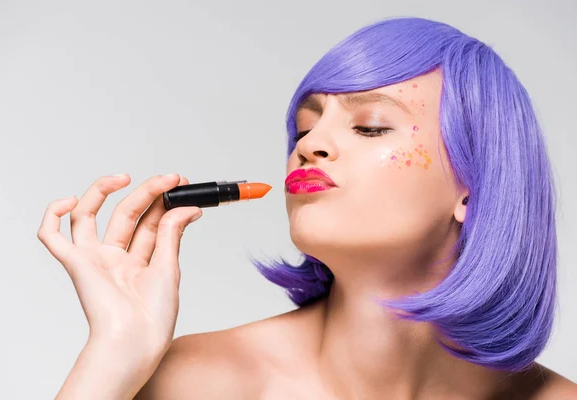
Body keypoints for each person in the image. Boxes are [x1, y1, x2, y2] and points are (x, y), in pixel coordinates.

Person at [38, 17, 577, 399]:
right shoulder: (199, 383)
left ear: (474, 188)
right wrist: (112, 355)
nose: (310, 143)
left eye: (369, 125)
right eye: (305, 125)